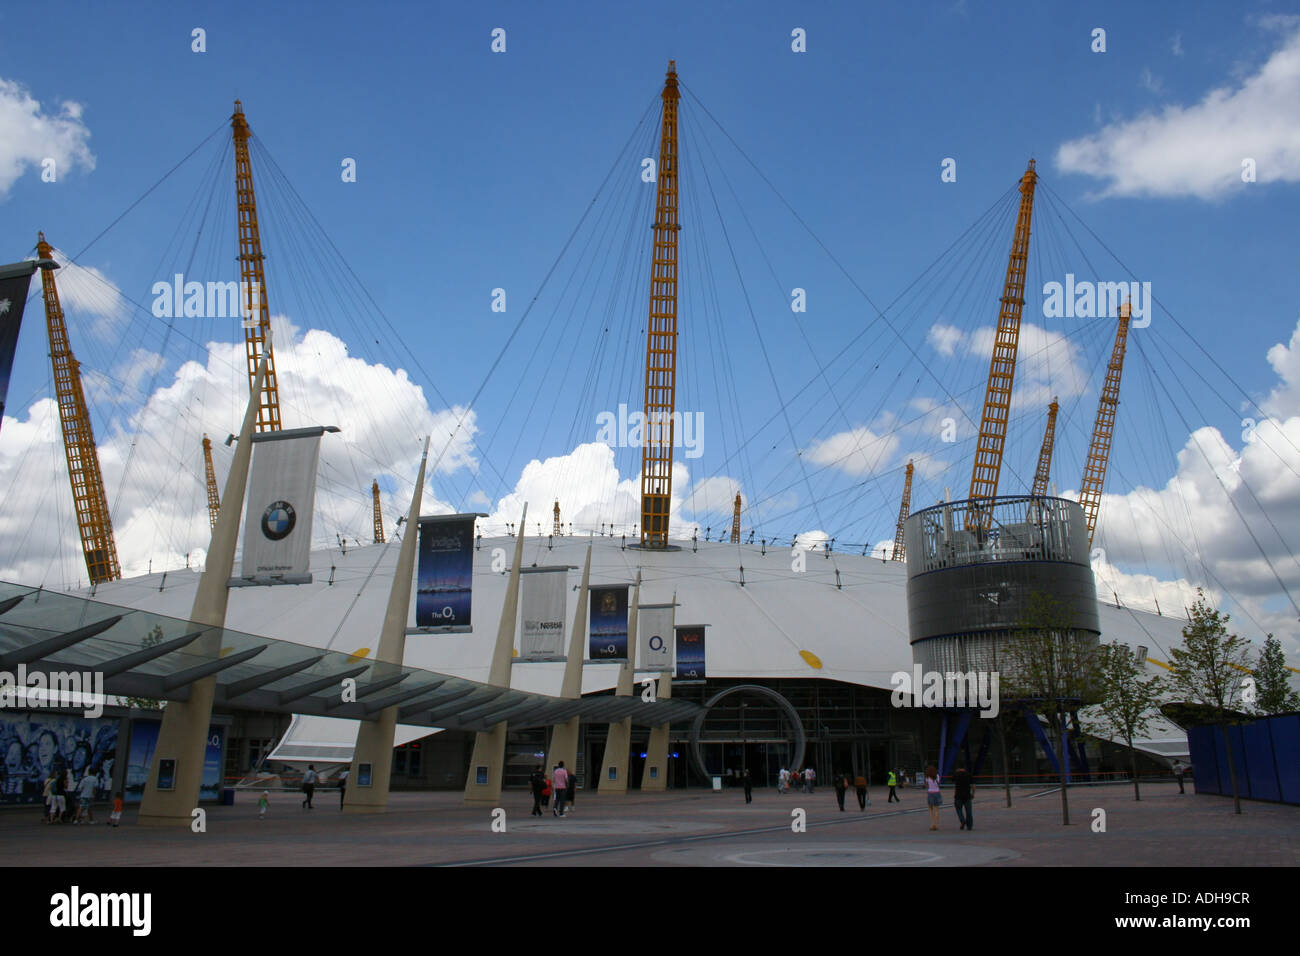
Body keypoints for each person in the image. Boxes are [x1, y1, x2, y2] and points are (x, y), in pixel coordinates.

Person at [952, 765, 974, 830]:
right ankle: (969, 826)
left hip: (958, 796)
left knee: (958, 809)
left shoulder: (956, 774)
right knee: (969, 811)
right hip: (967, 796)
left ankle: (962, 820)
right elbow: (973, 785)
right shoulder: (968, 774)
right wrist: (973, 793)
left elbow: (954, 783)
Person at [924, 764, 942, 831]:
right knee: (936, 810)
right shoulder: (937, 776)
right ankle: (937, 825)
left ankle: (932, 825)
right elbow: (938, 784)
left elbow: (927, 786)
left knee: (931, 810)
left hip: (930, 793)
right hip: (937, 793)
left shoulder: (927, 777)